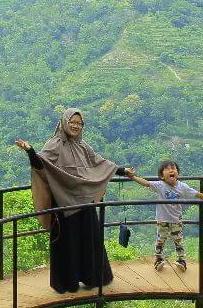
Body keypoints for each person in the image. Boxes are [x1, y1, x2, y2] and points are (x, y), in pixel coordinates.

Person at [14, 109, 131, 294]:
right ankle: (67, 283)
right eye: (72, 122)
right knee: (67, 243)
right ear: (64, 122)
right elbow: (41, 165)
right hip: (63, 204)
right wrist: (30, 151)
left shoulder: (82, 146)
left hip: (85, 203)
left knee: (89, 240)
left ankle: (93, 278)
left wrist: (122, 171)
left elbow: (98, 163)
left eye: (79, 123)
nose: (76, 126)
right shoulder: (55, 144)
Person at [124, 160, 203, 271]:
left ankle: (181, 260)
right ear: (162, 176)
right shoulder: (160, 185)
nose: (171, 170)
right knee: (160, 240)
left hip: (176, 220)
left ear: (177, 173)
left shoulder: (183, 186)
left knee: (178, 240)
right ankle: (158, 259)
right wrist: (133, 177)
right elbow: (146, 183)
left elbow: (196, 193)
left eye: (173, 168)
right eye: (167, 169)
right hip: (162, 220)